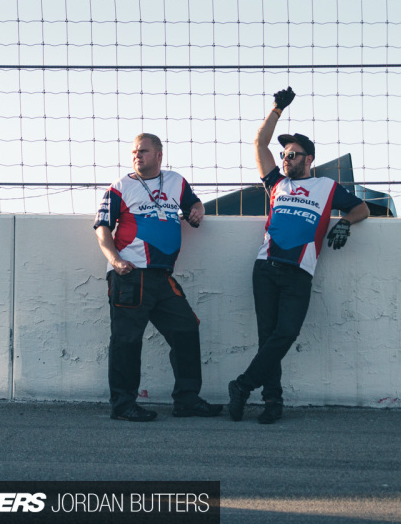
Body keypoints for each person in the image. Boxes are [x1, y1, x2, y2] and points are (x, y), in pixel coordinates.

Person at [228, 87, 370, 424]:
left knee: (286, 333)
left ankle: (242, 385)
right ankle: (272, 403)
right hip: (265, 268)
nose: (286, 159)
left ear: (309, 160)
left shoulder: (326, 187)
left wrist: (344, 224)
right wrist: (277, 109)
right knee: (268, 338)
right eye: (284, 155)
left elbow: (362, 208)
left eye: (293, 155)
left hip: (299, 272)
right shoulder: (276, 183)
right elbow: (259, 144)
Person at [93, 133, 223, 422]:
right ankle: (123, 405)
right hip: (130, 275)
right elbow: (102, 229)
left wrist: (197, 211)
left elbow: (195, 205)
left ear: (159, 155)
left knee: (186, 328)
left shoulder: (176, 181)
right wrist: (115, 261)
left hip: (162, 277)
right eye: (134, 152)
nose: (137, 156)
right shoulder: (120, 187)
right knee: (127, 340)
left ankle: (187, 400)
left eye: (143, 151)